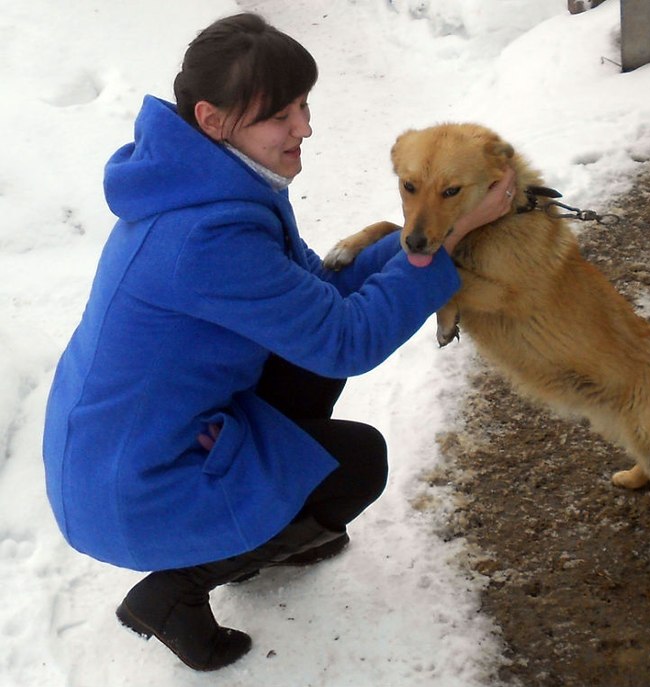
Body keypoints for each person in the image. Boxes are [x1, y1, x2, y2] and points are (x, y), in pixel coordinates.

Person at [42, 12, 516, 672]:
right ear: (213, 120)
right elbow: (347, 337)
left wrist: (425, 229)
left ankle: (267, 519)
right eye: (280, 116)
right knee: (358, 463)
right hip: (134, 483)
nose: (304, 128)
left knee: (309, 357)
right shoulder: (208, 236)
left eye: (303, 105)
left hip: (130, 439)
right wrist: (453, 233)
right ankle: (176, 591)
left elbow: (318, 296)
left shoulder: (209, 183)